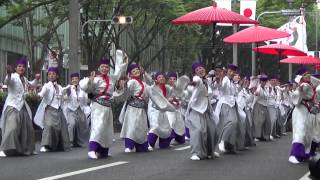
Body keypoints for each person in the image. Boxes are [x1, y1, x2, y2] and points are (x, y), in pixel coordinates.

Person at [80, 50, 128, 159]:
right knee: (98, 126)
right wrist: (90, 81)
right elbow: (86, 88)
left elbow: (119, 71)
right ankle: (92, 149)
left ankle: (103, 150)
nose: (105, 69)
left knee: (107, 128)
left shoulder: (111, 78)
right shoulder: (96, 79)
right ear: (99, 68)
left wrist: (123, 60)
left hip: (107, 106)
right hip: (98, 106)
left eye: (106, 67)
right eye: (102, 67)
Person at [0, 58, 40, 157]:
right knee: (12, 127)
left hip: (23, 106)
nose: (21, 68)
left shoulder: (24, 79)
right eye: (19, 66)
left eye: (23, 67)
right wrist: (8, 74)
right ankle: (4, 149)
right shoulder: (12, 76)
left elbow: (32, 85)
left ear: (25, 68)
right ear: (15, 68)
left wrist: (37, 79)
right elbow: (7, 81)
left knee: (29, 129)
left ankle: (28, 149)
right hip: (13, 106)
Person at [186, 62, 219, 160]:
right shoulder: (197, 79)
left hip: (207, 109)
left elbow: (211, 90)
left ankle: (210, 151)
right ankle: (195, 153)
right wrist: (194, 83)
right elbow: (197, 82)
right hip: (196, 110)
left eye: (201, 68)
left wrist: (215, 79)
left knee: (211, 130)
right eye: (197, 69)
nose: (200, 70)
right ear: (195, 73)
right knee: (198, 130)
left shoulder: (207, 81)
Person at [34, 67, 70, 152]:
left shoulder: (60, 87)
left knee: (62, 128)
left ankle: (58, 145)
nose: (51, 76)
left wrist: (68, 94)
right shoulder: (47, 86)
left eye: (53, 74)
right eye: (49, 74)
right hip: (49, 109)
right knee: (49, 126)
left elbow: (63, 98)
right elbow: (42, 93)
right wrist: (38, 96)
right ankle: (45, 145)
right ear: (47, 76)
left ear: (57, 76)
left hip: (59, 110)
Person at [289, 68, 317, 164]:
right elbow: (296, 97)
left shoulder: (310, 85)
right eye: (305, 74)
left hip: (307, 111)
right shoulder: (302, 85)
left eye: (308, 74)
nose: (308, 76)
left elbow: (312, 98)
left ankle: (304, 154)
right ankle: (294, 155)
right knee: (300, 132)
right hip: (300, 110)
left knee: (307, 133)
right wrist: (299, 90)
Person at [215, 64, 239, 153]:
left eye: (234, 72)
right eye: (230, 71)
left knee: (235, 123)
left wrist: (238, 85)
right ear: (227, 71)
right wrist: (220, 80)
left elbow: (235, 93)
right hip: (225, 103)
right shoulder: (225, 79)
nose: (232, 73)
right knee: (232, 122)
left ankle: (229, 146)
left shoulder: (232, 82)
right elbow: (221, 87)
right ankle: (222, 140)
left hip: (232, 104)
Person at [64, 73, 91, 147]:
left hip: (80, 109)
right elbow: (64, 98)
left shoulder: (82, 88)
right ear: (71, 80)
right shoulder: (68, 88)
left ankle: (80, 142)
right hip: (71, 109)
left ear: (79, 79)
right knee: (72, 124)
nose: (74, 80)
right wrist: (68, 94)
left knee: (82, 125)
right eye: (73, 79)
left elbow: (87, 100)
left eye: (76, 79)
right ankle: (70, 141)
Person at [166, 72, 186, 145]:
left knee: (179, 124)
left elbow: (182, 98)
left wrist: (178, 101)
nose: (172, 80)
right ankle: (168, 139)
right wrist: (170, 100)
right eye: (170, 79)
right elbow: (162, 98)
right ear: (168, 80)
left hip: (177, 109)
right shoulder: (166, 87)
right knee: (171, 122)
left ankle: (179, 139)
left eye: (174, 79)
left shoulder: (179, 89)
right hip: (168, 110)